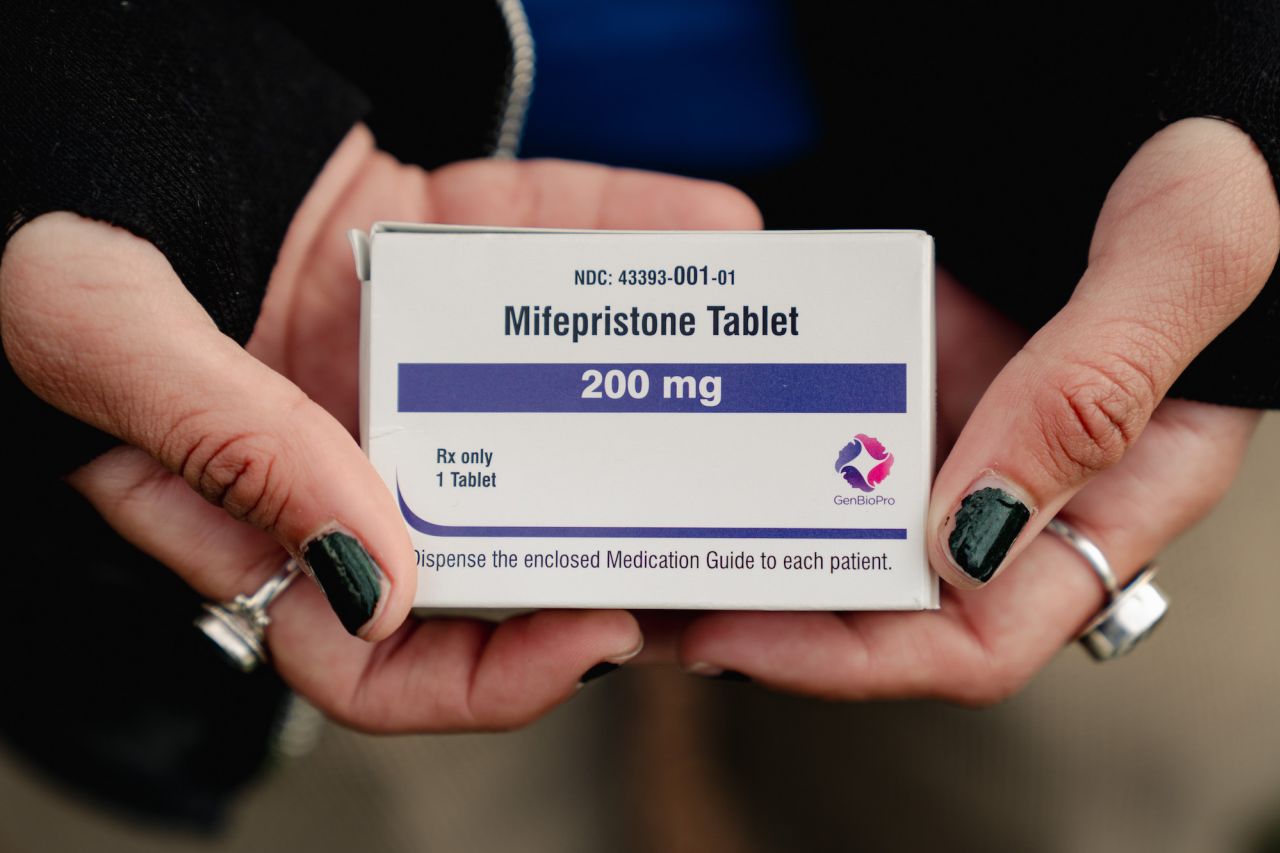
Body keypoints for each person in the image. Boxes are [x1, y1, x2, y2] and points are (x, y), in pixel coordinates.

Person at [2, 0, 1277, 824]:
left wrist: (1237, 87)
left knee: (1056, 802)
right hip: (272, 255)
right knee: (402, 810)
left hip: (1036, 242)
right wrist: (81, 126)